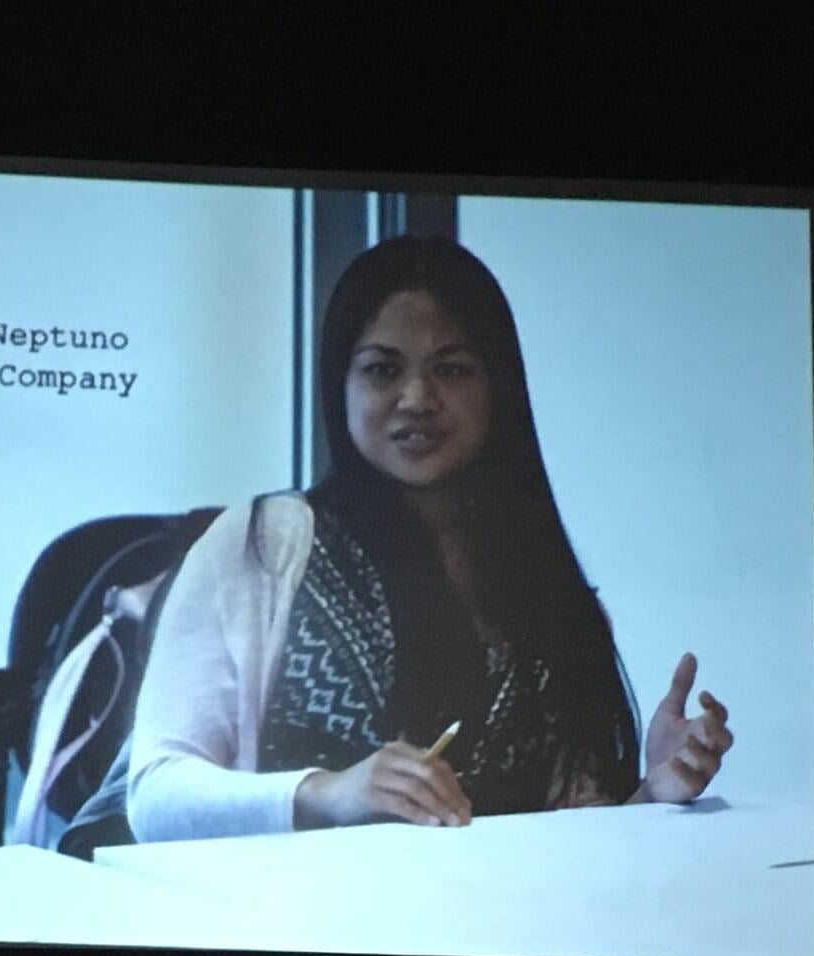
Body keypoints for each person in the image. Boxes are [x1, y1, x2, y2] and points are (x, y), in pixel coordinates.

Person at [127, 235, 733, 843]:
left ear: (498, 387)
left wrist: (655, 794)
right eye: (382, 370)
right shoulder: (264, 543)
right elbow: (155, 794)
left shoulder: (544, 584)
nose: (417, 399)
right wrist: (329, 791)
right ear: (340, 386)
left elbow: (567, 846)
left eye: (451, 368)